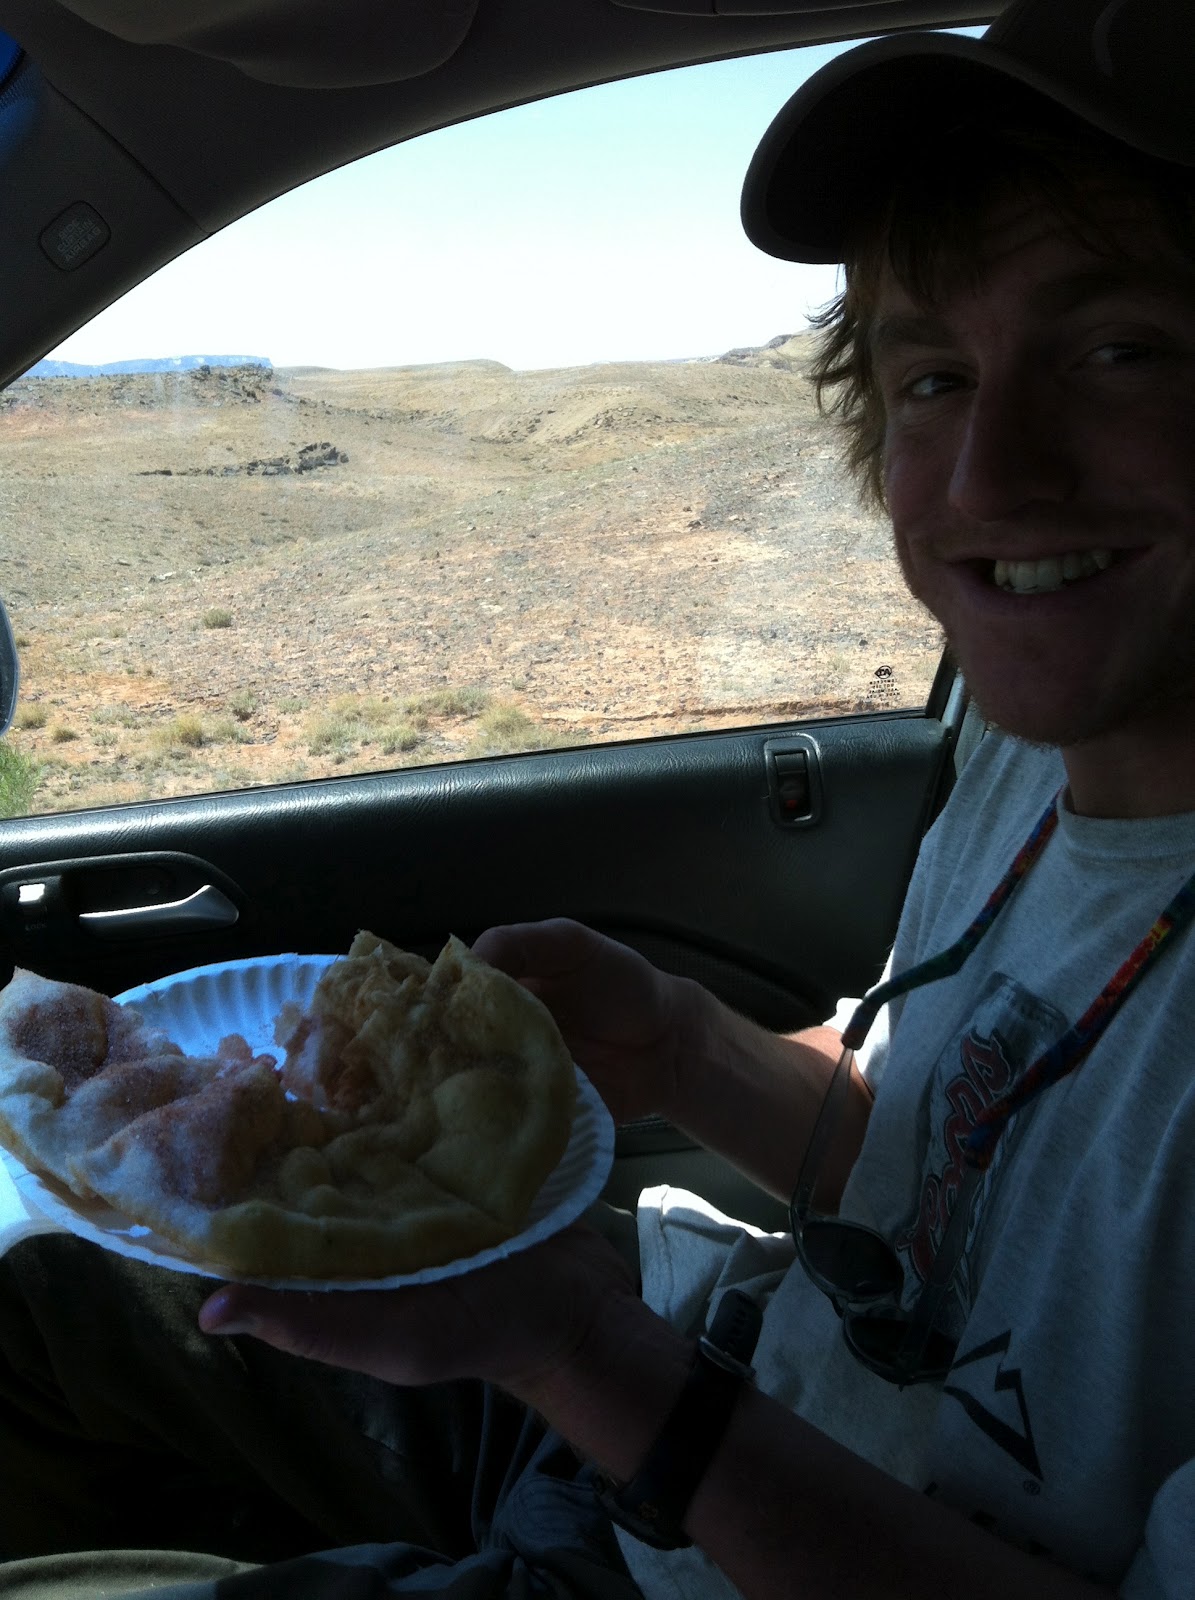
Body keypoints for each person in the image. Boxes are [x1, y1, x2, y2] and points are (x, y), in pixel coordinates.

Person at [3, 0, 1195, 1594]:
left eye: (1121, 352)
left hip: (710, 1502)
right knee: (35, 1297)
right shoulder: (1031, 749)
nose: (985, 478)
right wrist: (680, 1044)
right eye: (932, 376)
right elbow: (936, 1145)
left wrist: (571, 1352)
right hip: (713, 1384)